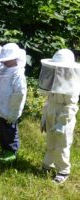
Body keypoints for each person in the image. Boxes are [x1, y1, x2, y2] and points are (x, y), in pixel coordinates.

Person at [39, 49, 80, 184]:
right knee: (50, 142)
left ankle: (63, 171)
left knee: (62, 145)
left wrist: (62, 123)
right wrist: (45, 117)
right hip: (51, 113)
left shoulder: (72, 84)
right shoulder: (53, 80)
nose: (58, 70)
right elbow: (48, 102)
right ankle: (47, 165)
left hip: (64, 118)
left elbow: (72, 107)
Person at [0, 43, 27, 162]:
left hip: (10, 110)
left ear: (14, 58)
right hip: (2, 108)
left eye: (6, 59)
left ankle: (12, 151)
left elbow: (19, 93)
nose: (3, 61)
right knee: (3, 130)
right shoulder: (6, 69)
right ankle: (5, 149)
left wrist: (13, 112)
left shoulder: (17, 73)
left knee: (10, 131)